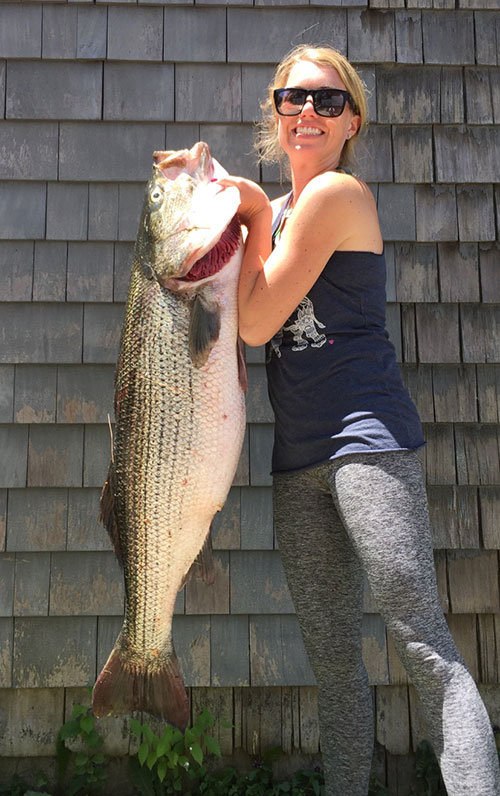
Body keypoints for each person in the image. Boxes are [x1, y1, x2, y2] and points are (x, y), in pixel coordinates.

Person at [219, 44, 500, 796]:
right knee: (335, 662)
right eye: (292, 98)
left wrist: (246, 212)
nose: (307, 112)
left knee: (423, 648)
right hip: (298, 462)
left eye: (328, 100)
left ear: (352, 122)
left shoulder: (336, 196)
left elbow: (254, 325)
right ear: (276, 115)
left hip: (366, 448)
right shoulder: (272, 214)